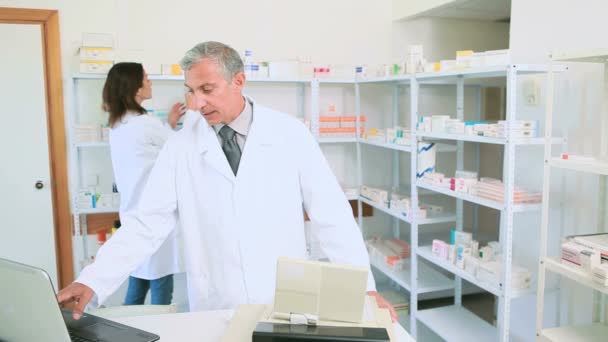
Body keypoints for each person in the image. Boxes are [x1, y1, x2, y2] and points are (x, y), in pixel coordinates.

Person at [59, 41, 396, 321]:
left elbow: (331, 214)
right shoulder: (180, 146)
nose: (197, 103)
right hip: (216, 301)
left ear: (238, 81)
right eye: (191, 91)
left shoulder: (289, 133)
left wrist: (363, 287)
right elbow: (146, 222)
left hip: (283, 296)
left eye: (207, 89)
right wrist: (93, 280)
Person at [103, 62, 185, 305]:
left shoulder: (118, 124)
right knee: (160, 280)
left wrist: (168, 124)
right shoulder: (144, 123)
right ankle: (161, 333)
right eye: (146, 78)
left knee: (138, 279)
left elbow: (150, 150)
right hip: (153, 214)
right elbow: (179, 149)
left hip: (133, 213)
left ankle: (127, 331)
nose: (150, 83)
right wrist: (193, 118)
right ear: (135, 87)